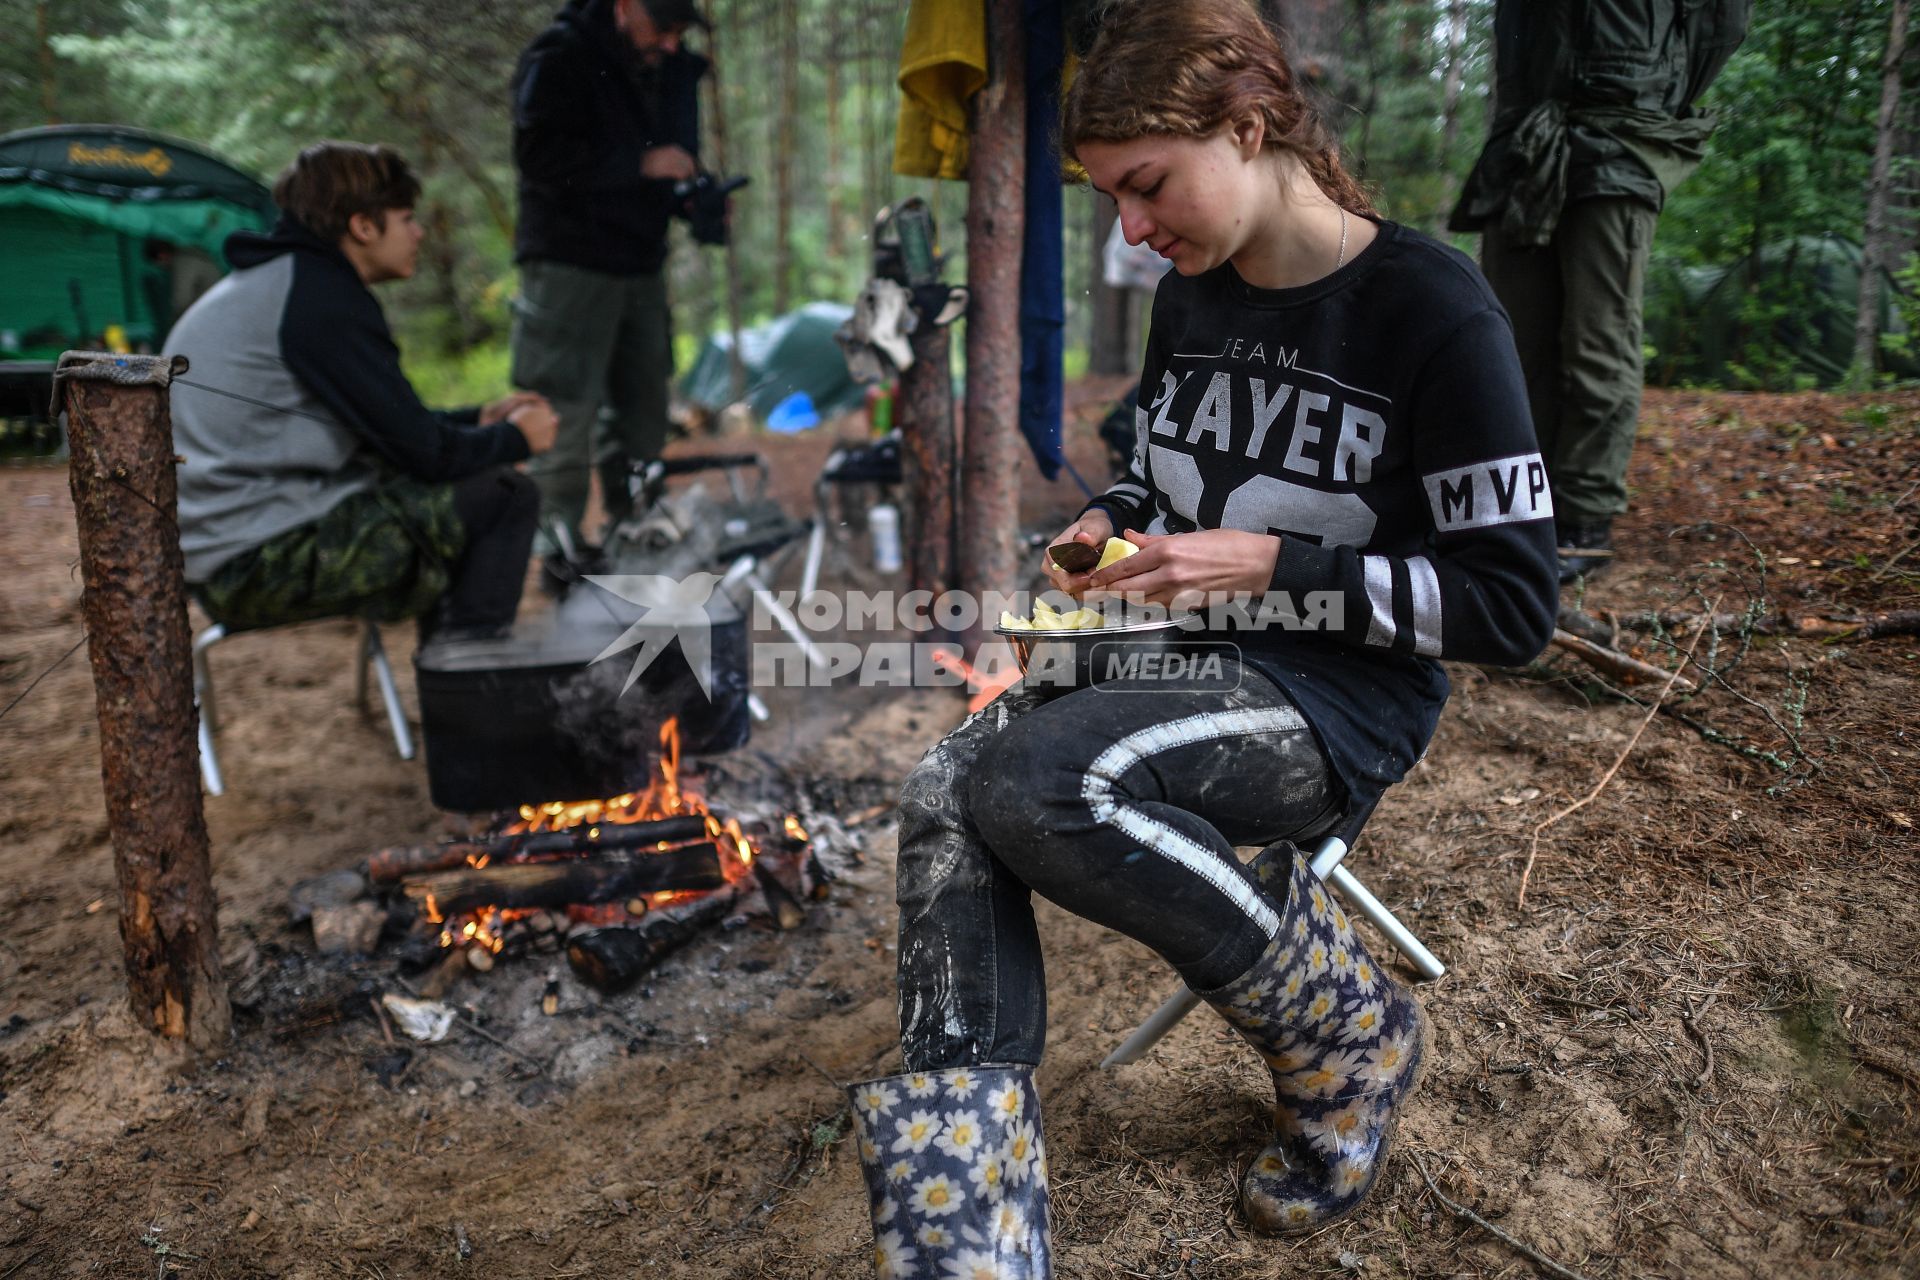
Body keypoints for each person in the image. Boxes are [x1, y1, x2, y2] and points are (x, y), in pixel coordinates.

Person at [841, 2, 1559, 1272]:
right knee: (946, 784)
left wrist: (1281, 563)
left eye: (1147, 185)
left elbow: (1513, 605)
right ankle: (966, 1237)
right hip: (1191, 652)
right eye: (1111, 197)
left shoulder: (1435, 312)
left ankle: (1352, 1034)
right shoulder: (1192, 297)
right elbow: (1160, 484)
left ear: (1251, 124)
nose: (1131, 228)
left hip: (1335, 697)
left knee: (1040, 779)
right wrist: (1106, 528)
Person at [168, 142, 559, 640]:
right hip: (258, 566)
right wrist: (517, 439)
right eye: (406, 218)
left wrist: (477, 419)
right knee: (503, 495)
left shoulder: (290, 284)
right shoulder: (322, 300)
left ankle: (458, 681)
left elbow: (390, 427)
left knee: (455, 495)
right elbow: (424, 456)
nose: (418, 233)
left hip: (228, 551)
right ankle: (471, 701)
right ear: (363, 226)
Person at [1451, 0, 1751, 581]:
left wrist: (1652, 97)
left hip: (1623, 138)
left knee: (1597, 340)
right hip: (1524, 135)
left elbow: (1724, 24)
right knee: (1508, 342)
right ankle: (1515, 508)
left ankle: (1584, 521)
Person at [509, 0, 712, 583]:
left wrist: (697, 198)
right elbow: (539, 159)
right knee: (563, 410)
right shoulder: (561, 57)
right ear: (625, 6)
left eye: (680, 31)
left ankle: (636, 536)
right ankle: (560, 550)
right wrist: (641, 165)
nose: (671, 42)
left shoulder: (667, 69)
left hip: (640, 264)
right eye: (663, 26)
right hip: (570, 264)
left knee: (642, 412)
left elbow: (675, 162)